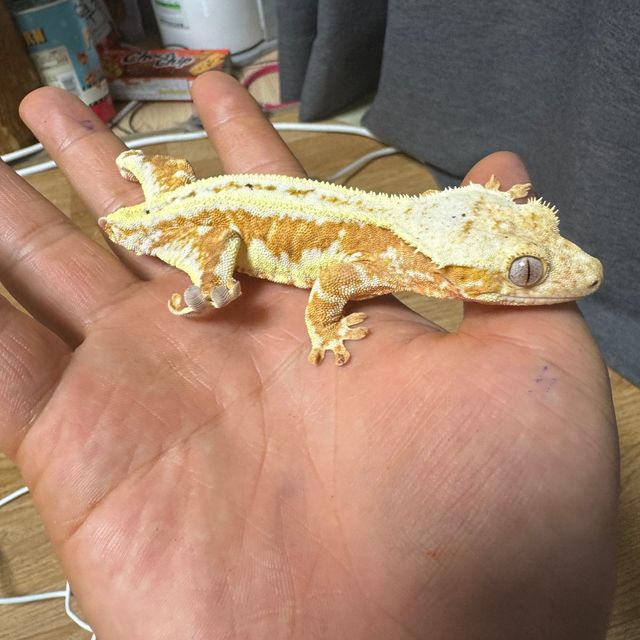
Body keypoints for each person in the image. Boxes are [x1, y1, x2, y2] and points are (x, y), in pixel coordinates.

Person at [0, 71, 618, 639]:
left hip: (214, 203)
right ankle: (195, 264)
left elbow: (445, 217)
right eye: (527, 273)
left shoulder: (415, 237)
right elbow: (334, 282)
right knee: (207, 274)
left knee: (173, 205)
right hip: (206, 224)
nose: (584, 272)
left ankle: (156, 174)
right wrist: (323, 330)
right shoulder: (390, 257)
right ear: (453, 271)